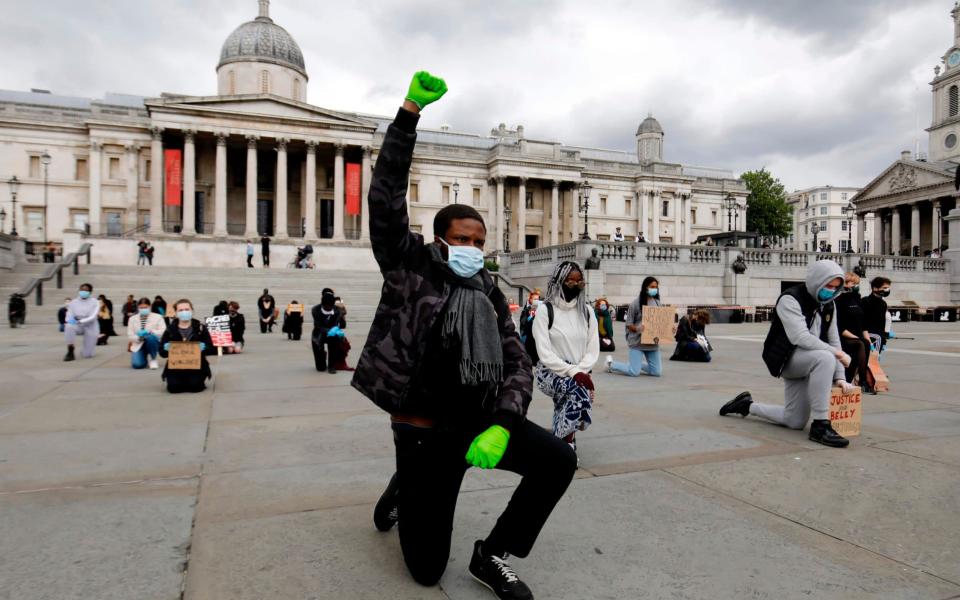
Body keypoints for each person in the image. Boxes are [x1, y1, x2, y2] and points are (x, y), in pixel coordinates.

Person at [354, 72, 576, 600]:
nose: (471, 247)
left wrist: (504, 421)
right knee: (427, 570)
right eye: (461, 238)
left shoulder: (490, 291)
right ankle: (406, 483)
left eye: (478, 240)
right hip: (425, 428)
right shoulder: (410, 269)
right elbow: (385, 201)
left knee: (558, 461)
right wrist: (408, 114)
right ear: (439, 240)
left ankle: (493, 553)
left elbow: (517, 360)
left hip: (477, 422)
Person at [719, 259, 856, 448]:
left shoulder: (830, 304)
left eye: (835, 287)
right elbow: (800, 337)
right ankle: (821, 425)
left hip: (810, 360)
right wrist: (837, 354)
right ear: (817, 281)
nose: (831, 291)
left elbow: (834, 339)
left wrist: (840, 377)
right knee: (825, 358)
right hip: (787, 358)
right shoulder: (790, 299)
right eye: (828, 286)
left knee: (795, 421)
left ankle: (746, 406)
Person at [533, 260, 600, 454]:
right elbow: (544, 353)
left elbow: (592, 349)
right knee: (578, 393)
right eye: (570, 282)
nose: (575, 286)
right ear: (559, 281)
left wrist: (581, 370)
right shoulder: (546, 310)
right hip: (550, 372)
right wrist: (573, 372)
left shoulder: (587, 312)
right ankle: (566, 445)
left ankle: (558, 442)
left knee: (567, 402)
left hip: (580, 372)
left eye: (580, 283)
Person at [605, 276, 664, 377]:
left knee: (657, 372)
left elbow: (661, 322)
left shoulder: (658, 303)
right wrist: (638, 328)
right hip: (637, 342)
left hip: (652, 343)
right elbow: (628, 324)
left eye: (656, 287)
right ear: (645, 287)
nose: (654, 289)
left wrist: (670, 329)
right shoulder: (635, 303)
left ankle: (636, 364)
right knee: (634, 372)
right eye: (652, 287)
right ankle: (611, 364)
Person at [159, 299, 215, 393]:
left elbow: (212, 348)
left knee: (195, 387)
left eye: (187, 309)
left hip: (196, 366)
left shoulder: (200, 328)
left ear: (192, 311)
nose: (184, 312)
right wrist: (166, 349)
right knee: (174, 388)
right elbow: (162, 353)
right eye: (180, 310)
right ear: (176, 313)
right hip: (176, 367)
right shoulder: (170, 330)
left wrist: (204, 348)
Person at [835, 272, 875, 394]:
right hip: (845, 336)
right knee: (860, 344)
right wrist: (858, 337)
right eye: (853, 283)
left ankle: (861, 380)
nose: (856, 285)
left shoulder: (857, 299)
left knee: (866, 343)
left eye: (857, 283)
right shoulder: (838, 300)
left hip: (857, 336)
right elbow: (839, 327)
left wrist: (867, 338)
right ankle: (863, 381)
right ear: (845, 284)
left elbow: (863, 323)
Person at [311, 290, 346, 373]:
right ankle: (322, 356)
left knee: (334, 344)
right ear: (322, 304)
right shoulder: (315, 310)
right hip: (318, 334)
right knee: (320, 368)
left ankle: (331, 366)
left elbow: (341, 325)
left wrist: (343, 313)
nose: (328, 308)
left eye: (330, 307)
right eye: (326, 307)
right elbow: (318, 326)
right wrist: (331, 330)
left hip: (332, 334)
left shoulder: (338, 310)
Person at [63, 283, 100, 361]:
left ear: (90, 292)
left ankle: (86, 351)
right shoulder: (74, 302)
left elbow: (93, 317)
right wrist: (71, 321)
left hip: (90, 325)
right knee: (69, 326)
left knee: (87, 355)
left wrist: (80, 321)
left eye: (86, 290)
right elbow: (69, 316)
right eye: (82, 290)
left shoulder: (95, 302)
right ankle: (70, 349)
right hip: (77, 324)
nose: (83, 291)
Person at [127, 297, 166, 370]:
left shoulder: (158, 317)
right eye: (141, 308)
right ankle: (143, 357)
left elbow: (163, 331)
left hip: (152, 342)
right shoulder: (132, 319)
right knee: (137, 365)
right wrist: (140, 337)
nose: (143, 309)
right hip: (138, 343)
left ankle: (153, 358)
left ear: (150, 306)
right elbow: (130, 335)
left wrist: (150, 331)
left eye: (145, 307)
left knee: (150, 337)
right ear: (138, 307)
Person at [861, 276, 891, 352]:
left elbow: (882, 323)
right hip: (868, 336)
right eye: (884, 288)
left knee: (875, 360)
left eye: (888, 288)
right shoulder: (865, 301)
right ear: (875, 288)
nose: (887, 290)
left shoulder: (883, 303)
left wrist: (884, 338)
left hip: (879, 337)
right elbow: (862, 322)